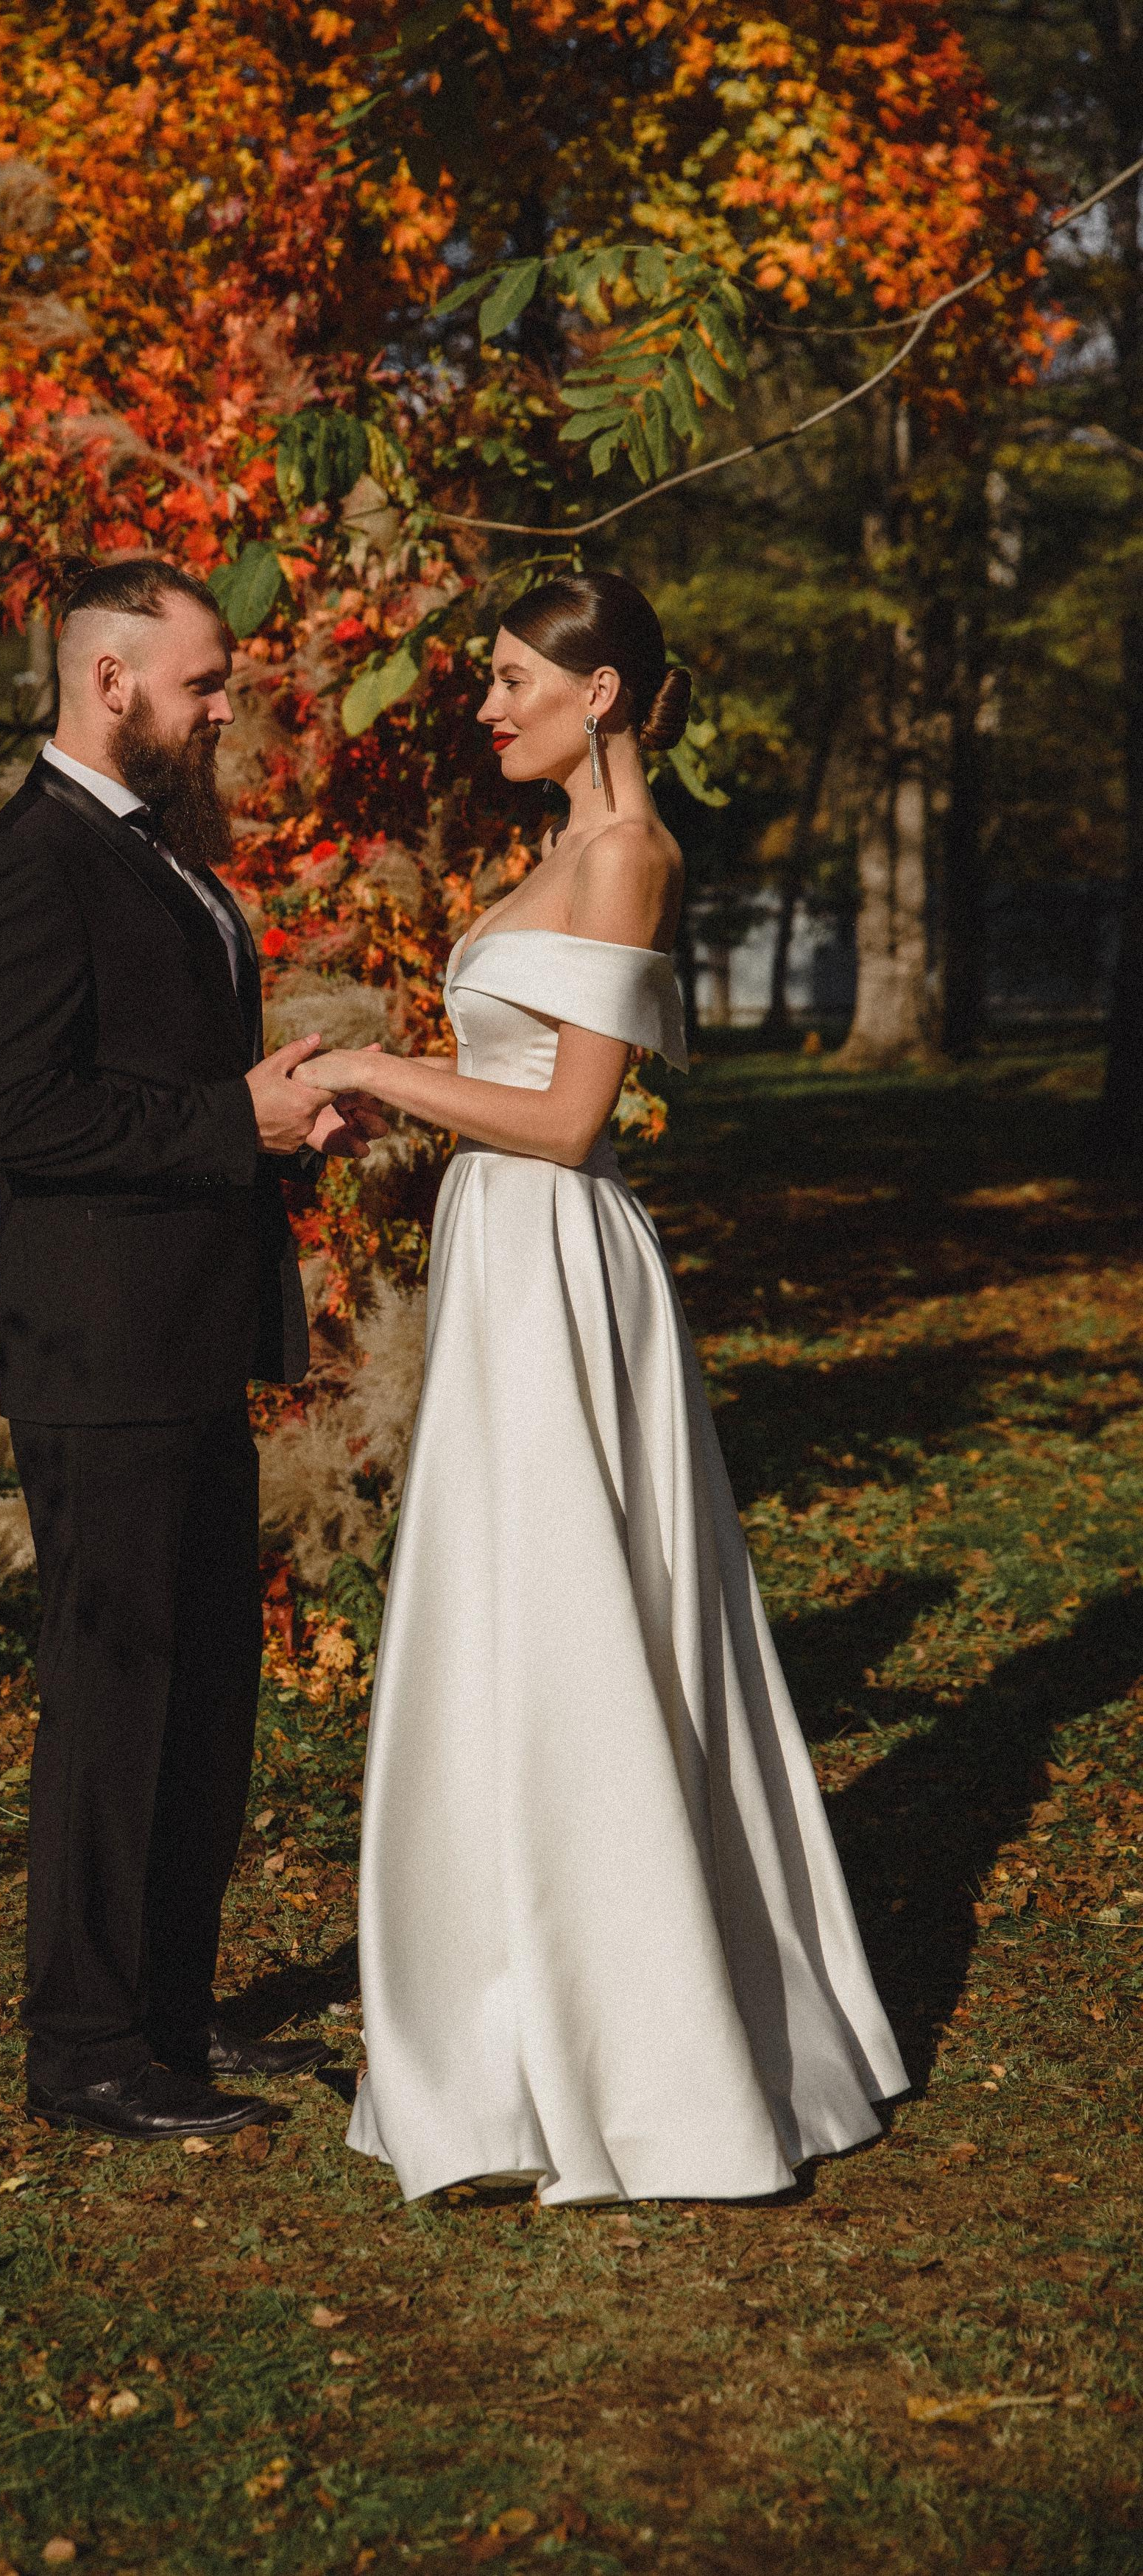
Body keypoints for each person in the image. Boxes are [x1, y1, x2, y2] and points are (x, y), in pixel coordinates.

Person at [292, 571, 907, 2205]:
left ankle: (641, 2051)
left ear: (604, 693)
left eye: (511, 680)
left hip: (561, 1263)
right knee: (510, 1607)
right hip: (509, 1256)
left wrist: (365, 1065)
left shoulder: (625, 854)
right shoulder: (544, 855)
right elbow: (509, 1088)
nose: (488, 707)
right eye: (491, 681)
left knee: (576, 1609)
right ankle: (504, 2021)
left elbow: (569, 1120)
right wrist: (408, 1109)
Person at [0, 557, 376, 2144]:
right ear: (110, 679)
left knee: (202, 1697)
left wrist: (271, 1114)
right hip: (99, 1346)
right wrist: (223, 1119)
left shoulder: (159, 857)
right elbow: (5, 1108)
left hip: (184, 1335)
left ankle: (172, 2025)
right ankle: (84, 2048)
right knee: (116, 1696)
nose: (221, 708)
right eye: (202, 681)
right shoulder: (28, 863)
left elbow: (147, 1076)